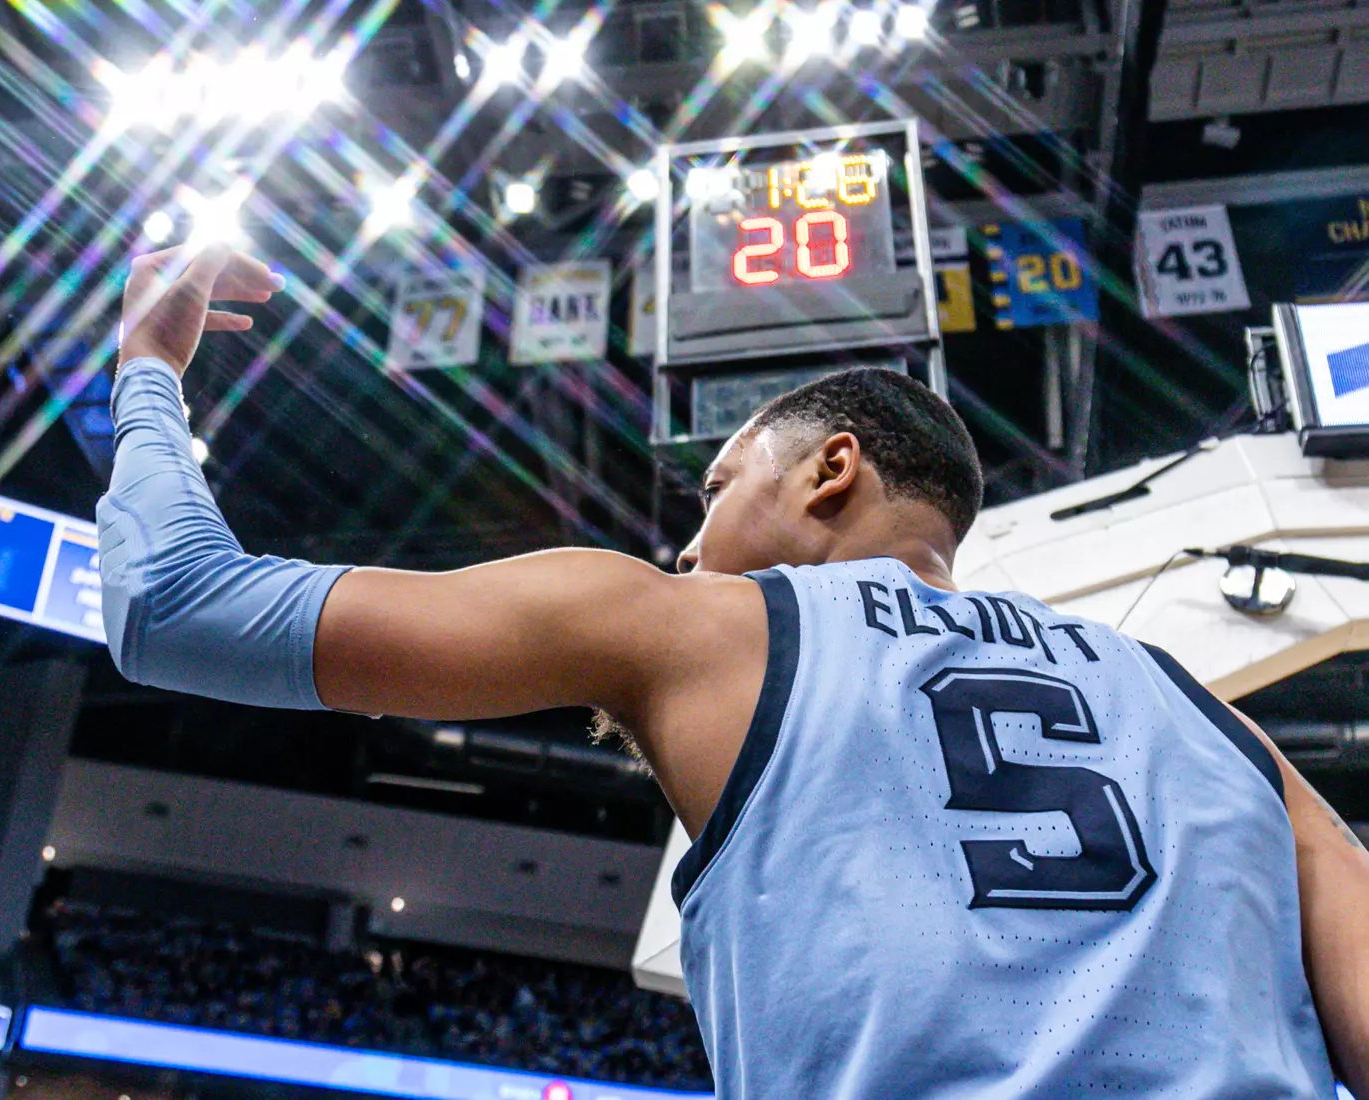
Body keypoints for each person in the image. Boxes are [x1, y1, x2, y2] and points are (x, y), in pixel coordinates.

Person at [97, 243, 1369, 1098]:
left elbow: (177, 603)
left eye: (714, 491)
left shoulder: (695, 624)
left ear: (831, 470)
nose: (689, 540)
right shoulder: (1203, 711)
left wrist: (148, 370)